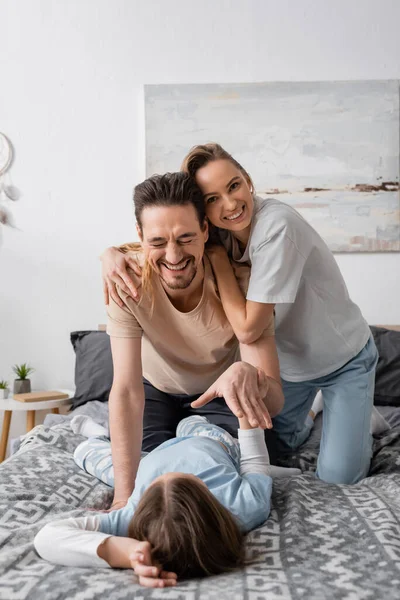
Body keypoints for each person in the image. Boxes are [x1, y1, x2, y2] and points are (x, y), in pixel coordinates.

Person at [101, 143, 385, 485]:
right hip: (291, 361)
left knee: (338, 477)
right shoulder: (217, 232)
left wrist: (219, 264)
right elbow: (164, 237)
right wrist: (109, 253)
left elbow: (249, 331)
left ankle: (355, 419)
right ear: (207, 215)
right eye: (213, 198)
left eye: (234, 186)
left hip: (341, 357)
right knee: (275, 449)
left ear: (247, 180)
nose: (230, 204)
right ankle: (315, 408)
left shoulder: (275, 228)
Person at [101, 171, 286, 513]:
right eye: (157, 242)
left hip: (220, 393)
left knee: (217, 469)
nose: (173, 256)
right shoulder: (124, 280)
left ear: (205, 230)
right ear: (140, 236)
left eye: (186, 238)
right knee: (151, 475)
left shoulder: (243, 284)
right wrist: (122, 499)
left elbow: (273, 401)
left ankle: (313, 408)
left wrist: (252, 378)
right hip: (155, 391)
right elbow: (126, 390)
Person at [34, 414, 300, 587]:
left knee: (85, 452)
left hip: (142, 466)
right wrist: (246, 417)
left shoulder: (130, 517)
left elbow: (48, 537)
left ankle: (98, 433)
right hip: (210, 442)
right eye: (187, 478)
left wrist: (127, 553)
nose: (169, 472)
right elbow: (254, 462)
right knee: (189, 422)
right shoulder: (244, 507)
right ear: (208, 498)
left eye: (154, 484)